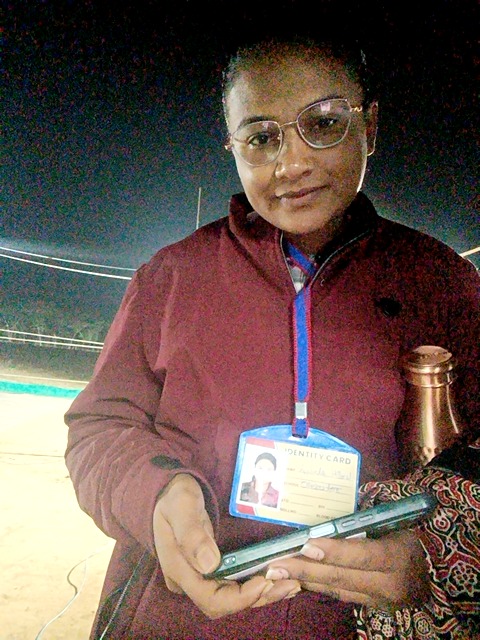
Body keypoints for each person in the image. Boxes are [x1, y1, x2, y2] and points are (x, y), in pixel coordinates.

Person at [64, 29, 480, 640]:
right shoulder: (171, 277)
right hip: (176, 617)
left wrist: (432, 557)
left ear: (370, 127)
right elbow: (99, 428)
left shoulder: (444, 282)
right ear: (232, 147)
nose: (292, 164)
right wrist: (153, 494)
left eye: (324, 124)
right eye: (261, 138)